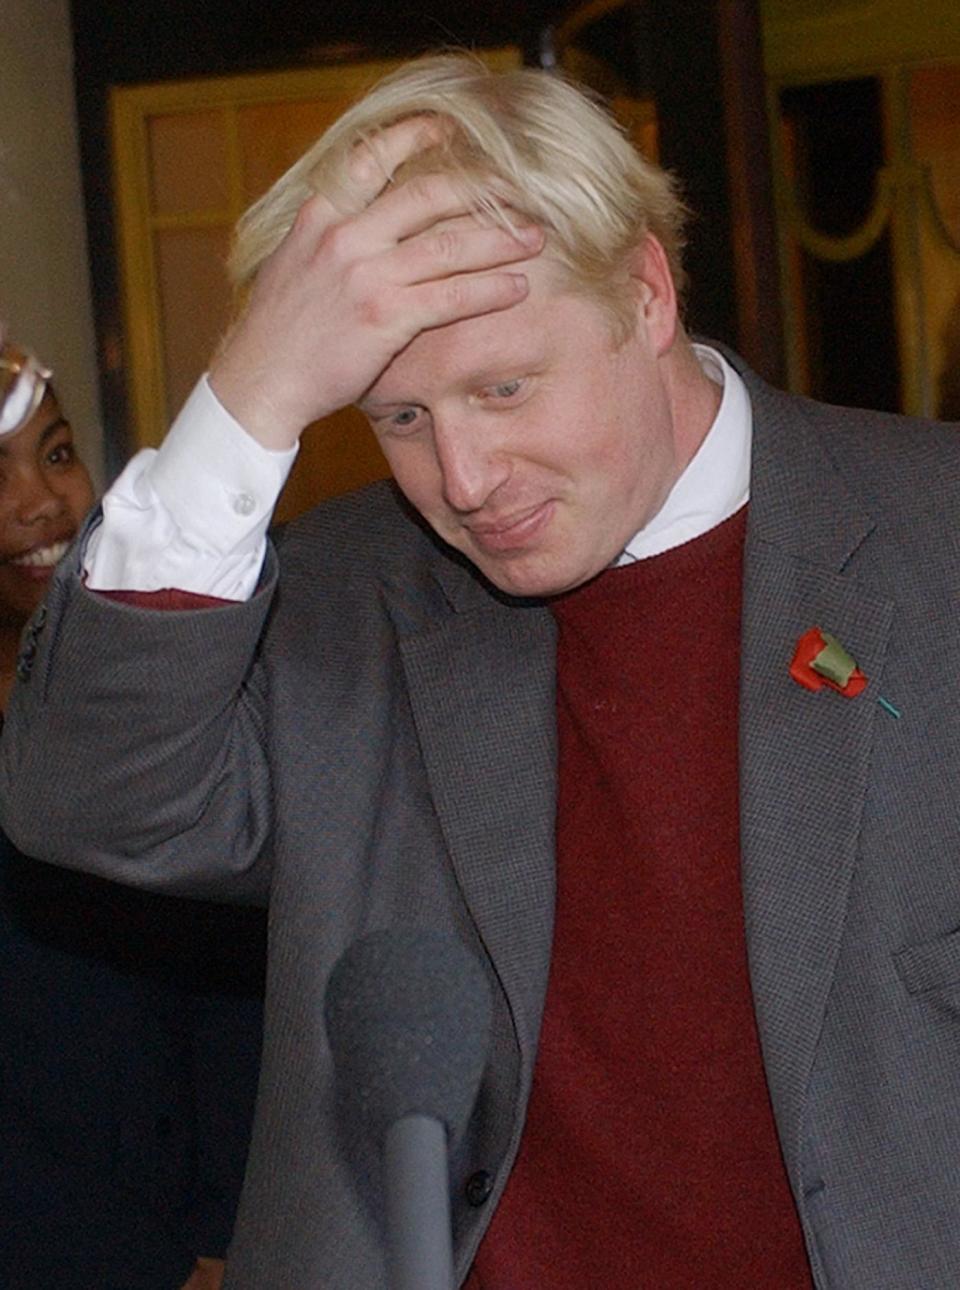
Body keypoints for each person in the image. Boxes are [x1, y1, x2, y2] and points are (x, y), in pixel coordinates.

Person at [3, 53, 960, 1289]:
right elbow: (88, 801)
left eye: (504, 388)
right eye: (399, 417)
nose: (464, 478)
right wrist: (250, 397)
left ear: (646, 291)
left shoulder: (932, 537)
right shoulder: (344, 597)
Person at [0, 335, 266, 1289]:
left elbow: (233, 970)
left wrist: (225, 1238)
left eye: (59, 453)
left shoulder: (160, 703)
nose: (41, 502)